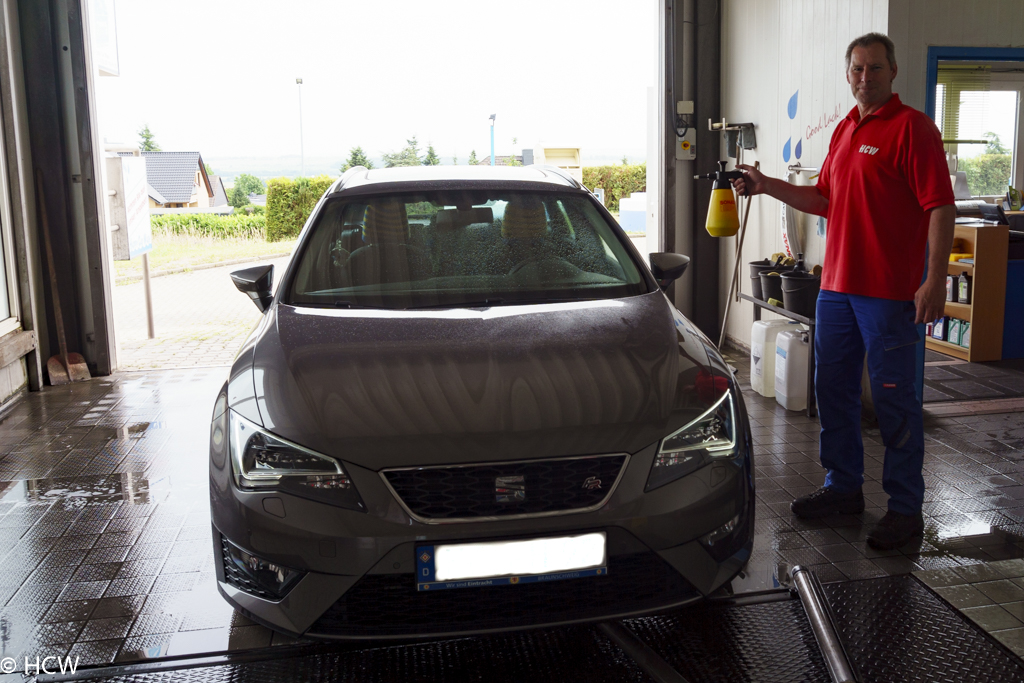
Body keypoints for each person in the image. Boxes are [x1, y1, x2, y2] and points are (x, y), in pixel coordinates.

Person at [732, 33, 955, 550]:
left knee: (894, 399)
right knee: (831, 390)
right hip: (835, 288)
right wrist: (766, 185)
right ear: (848, 73)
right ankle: (843, 488)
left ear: (892, 71)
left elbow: (940, 206)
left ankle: (905, 509)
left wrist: (935, 278)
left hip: (889, 292)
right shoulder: (845, 129)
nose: (864, 77)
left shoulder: (913, 129)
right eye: (857, 68)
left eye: (874, 68)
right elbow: (824, 199)